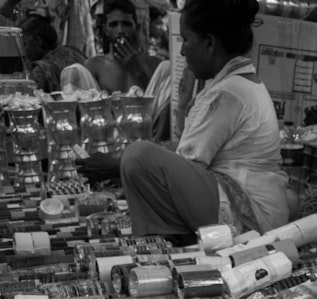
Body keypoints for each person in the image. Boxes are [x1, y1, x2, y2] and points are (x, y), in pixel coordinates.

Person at [76, 0, 290, 242]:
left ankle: (164, 242)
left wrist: (117, 162)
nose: (183, 51)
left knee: (138, 156)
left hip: (251, 217)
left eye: (186, 40)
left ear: (209, 43)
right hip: (254, 209)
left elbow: (183, 161)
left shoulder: (229, 93)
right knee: (140, 157)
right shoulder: (232, 85)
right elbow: (183, 155)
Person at [83, 0, 161, 93]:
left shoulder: (156, 64)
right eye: (113, 25)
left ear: (136, 27)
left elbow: (160, 97)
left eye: (126, 24)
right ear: (105, 30)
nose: (120, 30)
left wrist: (139, 68)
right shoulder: (94, 66)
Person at [19, 14, 86, 92]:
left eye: (24, 44)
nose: (22, 51)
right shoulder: (73, 51)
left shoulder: (40, 71)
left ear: (38, 41)